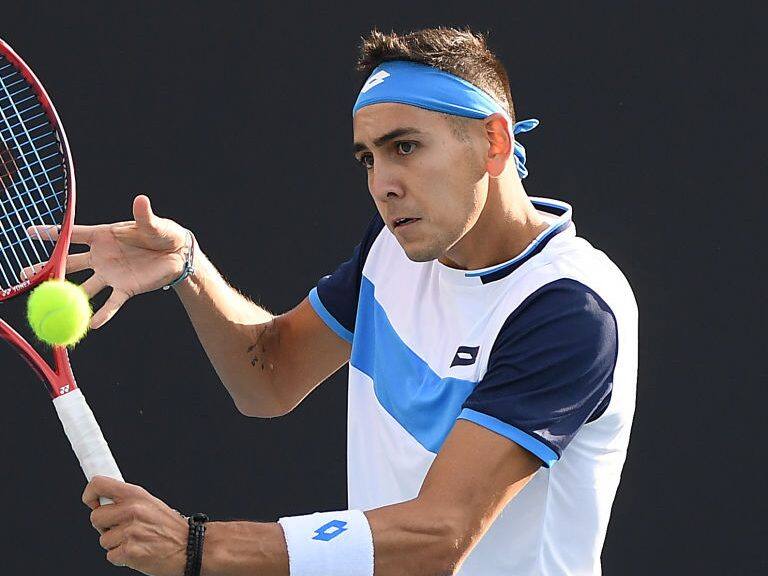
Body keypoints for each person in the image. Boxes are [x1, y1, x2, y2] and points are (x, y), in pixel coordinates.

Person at [69, 27, 637, 576]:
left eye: (405, 147)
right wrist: (189, 270)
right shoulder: (392, 248)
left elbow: (437, 537)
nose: (382, 184)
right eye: (369, 158)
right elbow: (271, 377)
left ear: (493, 142)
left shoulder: (569, 309)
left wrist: (195, 547)